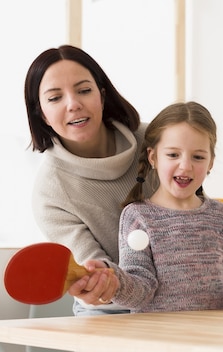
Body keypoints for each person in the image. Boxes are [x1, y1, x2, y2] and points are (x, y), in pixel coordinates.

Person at [94, 101, 223, 312]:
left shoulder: (220, 215)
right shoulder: (137, 216)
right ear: (153, 157)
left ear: (210, 163)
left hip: (211, 336)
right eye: (173, 155)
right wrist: (113, 281)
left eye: (198, 157)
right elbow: (140, 288)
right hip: (160, 338)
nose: (185, 166)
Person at [24, 45, 155, 315]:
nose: (73, 104)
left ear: (102, 96)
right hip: (113, 309)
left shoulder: (156, 143)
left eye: (84, 90)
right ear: (41, 114)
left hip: (184, 295)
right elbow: (91, 264)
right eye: (55, 98)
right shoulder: (49, 192)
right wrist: (99, 281)